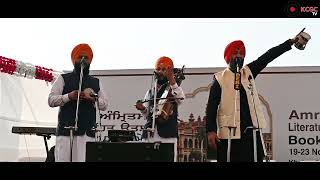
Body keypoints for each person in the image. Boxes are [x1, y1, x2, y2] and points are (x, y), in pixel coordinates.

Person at [206, 35, 301, 162]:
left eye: (241, 54)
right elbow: (211, 106)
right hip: (230, 135)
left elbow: (267, 56)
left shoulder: (249, 71)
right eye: (235, 53)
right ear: (228, 57)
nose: (239, 57)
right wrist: (211, 131)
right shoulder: (219, 78)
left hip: (252, 134)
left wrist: (289, 43)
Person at [48, 43, 108, 162]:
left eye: (86, 58)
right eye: (80, 57)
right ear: (74, 59)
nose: (83, 60)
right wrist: (68, 96)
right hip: (66, 133)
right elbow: (51, 100)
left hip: (86, 134)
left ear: (90, 60)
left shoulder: (95, 82)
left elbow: (105, 104)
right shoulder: (63, 78)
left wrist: (93, 99)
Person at [135, 56, 185, 162]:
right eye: (158, 69)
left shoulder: (173, 88)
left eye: (163, 69)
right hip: (149, 134)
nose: (160, 72)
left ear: (169, 71)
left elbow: (180, 100)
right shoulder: (150, 91)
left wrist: (172, 81)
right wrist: (142, 109)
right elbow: (147, 114)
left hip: (168, 134)